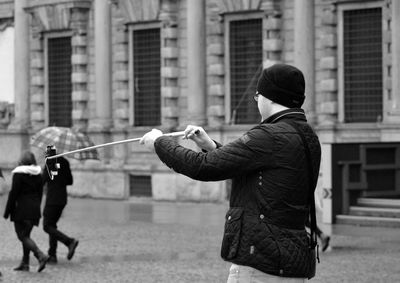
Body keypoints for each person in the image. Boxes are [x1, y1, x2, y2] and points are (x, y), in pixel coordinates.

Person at [140, 63, 322, 282]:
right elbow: (259, 170)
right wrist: (211, 147)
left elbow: (202, 167)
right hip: (291, 262)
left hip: (262, 263)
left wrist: (160, 142)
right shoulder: (306, 134)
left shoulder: (269, 135)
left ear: (270, 97)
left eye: (258, 96)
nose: (257, 101)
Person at [3, 151, 49, 272]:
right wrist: (36, 208)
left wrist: (7, 212)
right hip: (34, 210)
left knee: (22, 236)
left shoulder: (18, 174)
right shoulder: (39, 174)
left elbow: (14, 194)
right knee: (26, 236)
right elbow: (40, 194)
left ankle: (40, 255)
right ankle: (25, 263)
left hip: (21, 210)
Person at [42, 156, 79, 264]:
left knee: (47, 226)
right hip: (62, 199)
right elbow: (70, 181)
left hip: (52, 199)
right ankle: (52, 255)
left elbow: (43, 180)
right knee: (52, 225)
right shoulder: (65, 162)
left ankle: (69, 242)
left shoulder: (49, 162)